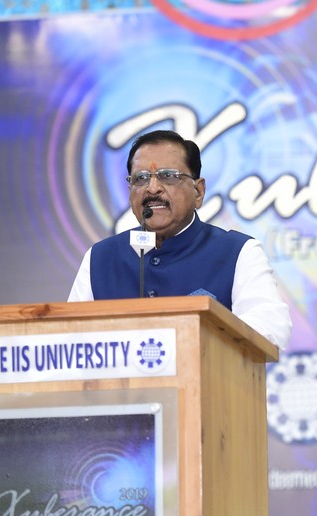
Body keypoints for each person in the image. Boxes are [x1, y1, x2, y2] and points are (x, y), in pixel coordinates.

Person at [68, 130, 291, 351]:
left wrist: (178, 346)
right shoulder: (100, 258)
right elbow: (68, 341)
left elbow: (270, 329)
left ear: (198, 192)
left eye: (168, 176)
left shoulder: (238, 252)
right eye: (141, 178)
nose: (152, 188)